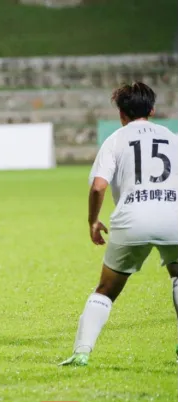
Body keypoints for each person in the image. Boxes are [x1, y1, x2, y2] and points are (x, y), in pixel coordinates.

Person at [60, 82, 178, 366]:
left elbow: (99, 186)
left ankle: (82, 352)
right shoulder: (172, 137)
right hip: (173, 217)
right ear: (152, 109)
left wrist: (92, 221)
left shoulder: (115, 139)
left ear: (121, 113)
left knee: (106, 290)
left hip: (131, 220)